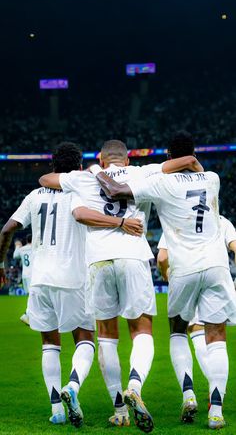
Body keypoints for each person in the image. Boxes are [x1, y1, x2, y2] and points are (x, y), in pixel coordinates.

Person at [39, 139, 203, 433]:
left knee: (107, 337)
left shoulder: (84, 178)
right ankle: (135, 385)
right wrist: (193, 163)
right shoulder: (143, 172)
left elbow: (45, 180)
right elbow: (185, 161)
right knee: (142, 331)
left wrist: (86, 172)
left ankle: (118, 409)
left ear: (101, 159)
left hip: (98, 261)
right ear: (126, 160)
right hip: (133, 256)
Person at [91, 131, 236, 430]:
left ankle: (188, 393)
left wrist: (96, 170)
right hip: (218, 266)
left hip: (183, 268)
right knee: (216, 337)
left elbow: (116, 190)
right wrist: (194, 163)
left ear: (169, 158)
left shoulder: (159, 182)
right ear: (193, 155)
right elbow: (195, 167)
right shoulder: (213, 178)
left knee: (178, 332)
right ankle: (216, 410)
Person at [0, 141, 142, 428]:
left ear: (53, 166)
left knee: (49, 346)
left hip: (39, 281)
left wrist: (1, 264)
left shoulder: (34, 196)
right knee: (86, 340)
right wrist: (120, 222)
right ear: (79, 167)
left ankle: (56, 409)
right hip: (74, 278)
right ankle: (73, 386)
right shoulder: (81, 191)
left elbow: (7, 229)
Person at [157, 215, 236, 380]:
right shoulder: (222, 221)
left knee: (186, 330)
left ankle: (190, 393)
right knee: (216, 335)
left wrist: (167, 275)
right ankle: (217, 396)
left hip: (187, 274)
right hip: (216, 274)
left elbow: (162, 258)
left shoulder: (175, 217)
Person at [13, 234, 32, 325]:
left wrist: (17, 246)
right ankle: (26, 315)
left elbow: (15, 256)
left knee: (31, 295)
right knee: (33, 296)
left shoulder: (22, 249)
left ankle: (29, 314)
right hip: (34, 275)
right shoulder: (35, 248)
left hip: (25, 275)